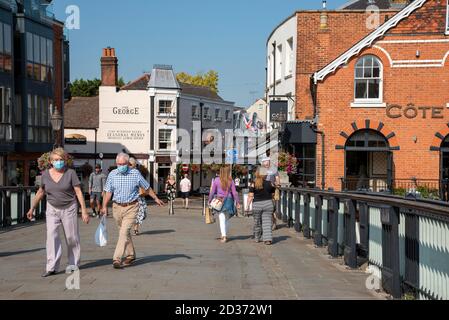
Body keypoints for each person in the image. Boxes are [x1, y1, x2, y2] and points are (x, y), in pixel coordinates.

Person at [26, 148, 90, 277]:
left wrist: (84, 210)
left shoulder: (70, 173)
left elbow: (78, 192)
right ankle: (52, 267)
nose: (58, 162)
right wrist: (32, 208)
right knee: (51, 236)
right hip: (52, 208)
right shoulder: (45, 175)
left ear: (65, 160)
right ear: (51, 161)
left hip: (69, 207)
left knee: (71, 237)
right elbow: (40, 192)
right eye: (56, 160)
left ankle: (73, 263)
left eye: (61, 159)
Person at [101, 153, 164, 269]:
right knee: (123, 232)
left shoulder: (135, 173)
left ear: (128, 163)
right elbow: (108, 192)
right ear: (116, 164)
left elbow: (146, 187)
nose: (121, 166)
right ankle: (130, 255)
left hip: (132, 207)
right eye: (119, 164)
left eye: (123, 164)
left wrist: (156, 198)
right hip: (116, 207)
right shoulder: (112, 174)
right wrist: (104, 206)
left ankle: (117, 258)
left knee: (124, 232)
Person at [208, 165, 240, 243]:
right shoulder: (230, 180)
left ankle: (224, 235)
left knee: (221, 218)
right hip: (229, 200)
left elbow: (212, 192)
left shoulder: (216, 180)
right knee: (226, 218)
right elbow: (234, 193)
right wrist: (238, 202)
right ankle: (224, 233)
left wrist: (209, 200)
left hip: (220, 200)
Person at [247, 167, 276, 245]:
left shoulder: (253, 183)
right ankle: (267, 239)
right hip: (268, 204)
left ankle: (257, 238)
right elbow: (273, 194)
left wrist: (247, 206)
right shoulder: (270, 183)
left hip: (257, 205)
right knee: (267, 222)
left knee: (257, 222)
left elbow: (250, 196)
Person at [128, 158, 147, 236]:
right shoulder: (125, 172)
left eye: (131, 164)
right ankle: (134, 229)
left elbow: (144, 184)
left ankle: (135, 228)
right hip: (130, 197)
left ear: (134, 165)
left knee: (141, 213)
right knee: (134, 214)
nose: (129, 166)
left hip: (139, 197)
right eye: (128, 164)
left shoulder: (137, 172)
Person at [261, 157, 280, 231]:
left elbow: (278, 179)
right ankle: (268, 223)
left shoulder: (274, 169)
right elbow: (260, 180)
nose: (266, 165)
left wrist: (276, 184)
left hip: (272, 190)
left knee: (272, 208)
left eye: (267, 164)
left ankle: (274, 223)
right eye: (265, 164)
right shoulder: (262, 170)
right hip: (264, 191)